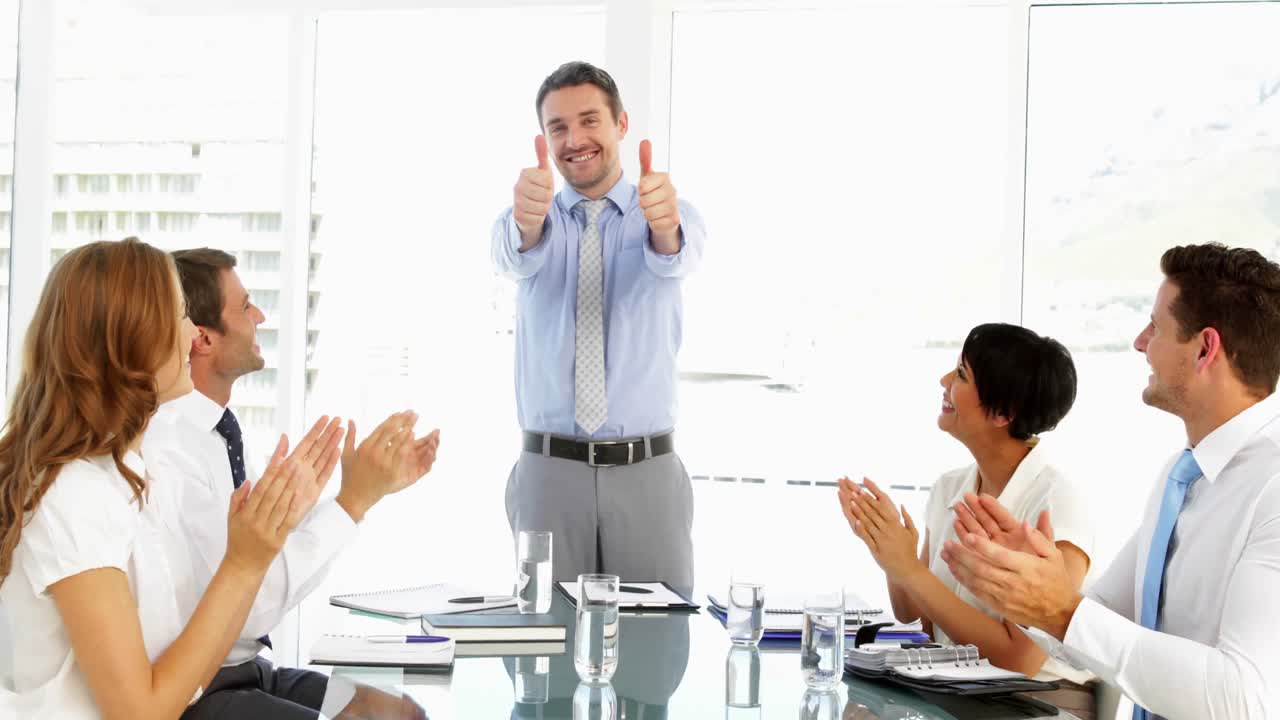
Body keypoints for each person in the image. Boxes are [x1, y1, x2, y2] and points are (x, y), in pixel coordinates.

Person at [942, 243, 1280, 720]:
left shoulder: (1273, 488)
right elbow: (1098, 618)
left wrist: (1061, 611)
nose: (1141, 342)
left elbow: (1247, 698)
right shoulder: (1180, 477)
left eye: (1156, 327)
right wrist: (1031, 586)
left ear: (1206, 349)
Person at [0, 237, 326, 720]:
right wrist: (242, 562)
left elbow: (195, 656)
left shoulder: (127, 475)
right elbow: (141, 714)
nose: (194, 333)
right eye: (180, 316)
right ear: (133, 344)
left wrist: (255, 550)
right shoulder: (74, 493)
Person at [140, 247, 439, 720]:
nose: (259, 316)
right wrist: (351, 503)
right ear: (202, 339)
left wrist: (350, 498)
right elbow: (250, 604)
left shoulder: (220, 434)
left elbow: (263, 560)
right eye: (243, 307)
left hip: (249, 666)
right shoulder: (171, 450)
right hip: (202, 687)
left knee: (399, 710)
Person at [491, 61, 706, 592]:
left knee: (657, 645)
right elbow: (517, 254)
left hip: (647, 471)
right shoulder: (527, 220)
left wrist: (664, 225)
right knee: (544, 649)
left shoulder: (670, 212)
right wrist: (525, 220)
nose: (574, 139)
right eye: (557, 127)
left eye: (589, 121)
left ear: (621, 125)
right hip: (548, 471)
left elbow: (673, 253)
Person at [837, 322, 1096, 717]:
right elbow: (922, 622)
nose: (944, 381)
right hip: (960, 691)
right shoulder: (949, 488)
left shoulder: (1056, 502)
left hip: (1040, 701)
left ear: (1004, 412)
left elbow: (1019, 660)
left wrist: (912, 571)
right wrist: (892, 557)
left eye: (960, 374)